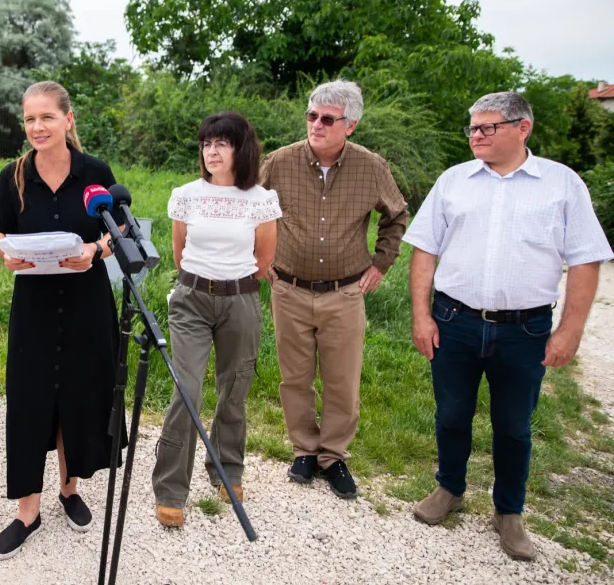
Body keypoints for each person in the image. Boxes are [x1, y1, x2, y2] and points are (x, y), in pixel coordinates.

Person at [403, 92, 612, 561]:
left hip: (525, 329)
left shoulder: (561, 184)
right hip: (454, 320)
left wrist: (571, 330)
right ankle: (450, 488)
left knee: (514, 425)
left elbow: (585, 260)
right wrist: (421, 314)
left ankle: (509, 511)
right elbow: (424, 250)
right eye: (472, 128)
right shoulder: (454, 181)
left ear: (523, 128)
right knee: (451, 414)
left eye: (486, 128)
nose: (475, 135)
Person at [0, 81, 125, 560]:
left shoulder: (95, 172)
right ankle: (28, 510)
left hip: (86, 301)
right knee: (29, 400)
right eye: (29, 119)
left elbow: (119, 225)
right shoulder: (13, 175)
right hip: (35, 305)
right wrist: (7, 254)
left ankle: (69, 489)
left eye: (46, 117)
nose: (37, 127)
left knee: (78, 395)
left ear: (68, 119)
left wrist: (95, 249)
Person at [259, 80, 409, 499]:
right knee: (295, 377)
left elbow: (396, 215)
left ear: (351, 125)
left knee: (342, 379)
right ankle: (304, 451)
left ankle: (333, 456)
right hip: (288, 288)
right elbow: (249, 205)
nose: (317, 125)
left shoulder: (370, 167)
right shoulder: (280, 162)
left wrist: (381, 263)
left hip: (344, 292)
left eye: (328, 119)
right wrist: (262, 258)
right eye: (312, 116)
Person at [151, 112, 281, 528]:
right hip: (190, 299)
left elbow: (264, 260)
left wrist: (231, 287)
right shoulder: (186, 194)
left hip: (240, 300)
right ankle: (171, 488)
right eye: (206, 144)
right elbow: (179, 252)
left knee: (234, 388)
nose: (211, 151)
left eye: (221, 143)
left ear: (240, 149)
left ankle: (227, 469)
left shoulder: (260, 199)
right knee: (186, 391)